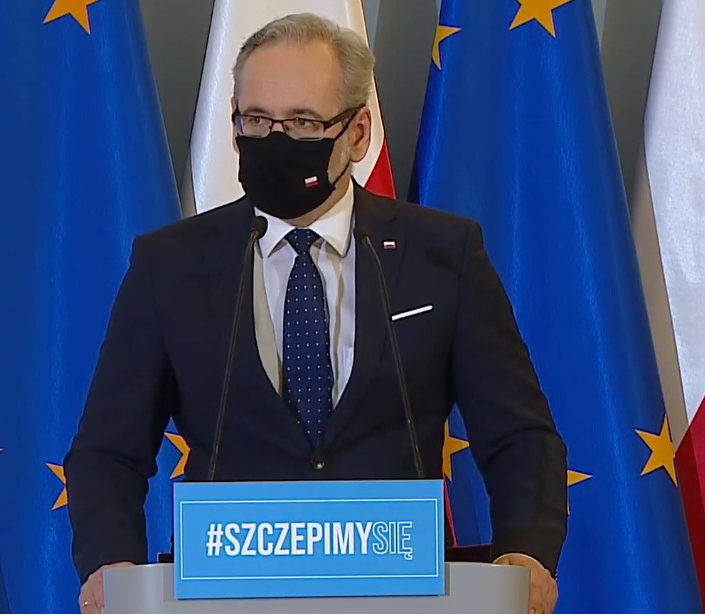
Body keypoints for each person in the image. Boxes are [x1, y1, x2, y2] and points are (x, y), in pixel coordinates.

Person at [64, 12, 568, 614]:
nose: (275, 141)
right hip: (226, 594)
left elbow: (519, 435)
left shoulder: (440, 254)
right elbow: (108, 450)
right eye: (257, 120)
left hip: (399, 591)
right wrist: (110, 563)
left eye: (303, 123)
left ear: (357, 134)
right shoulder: (170, 265)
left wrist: (527, 551)